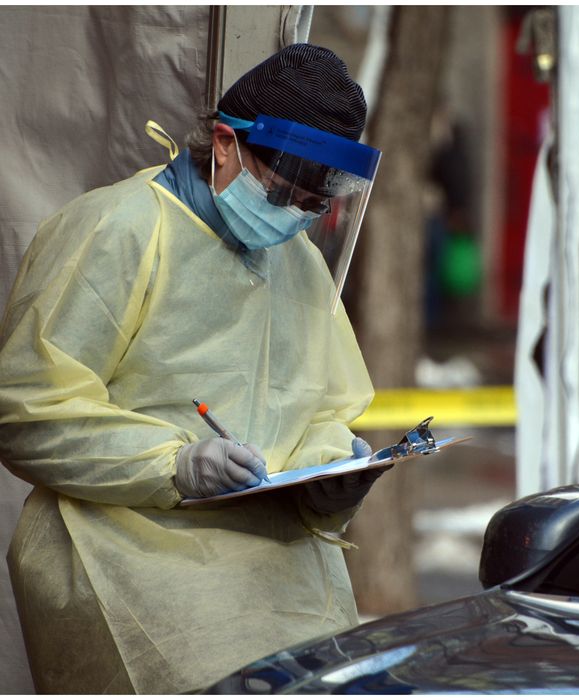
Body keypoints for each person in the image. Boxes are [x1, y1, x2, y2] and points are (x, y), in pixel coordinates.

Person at [0, 44, 389, 693]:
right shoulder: (118, 229)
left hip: (280, 576)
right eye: (280, 188)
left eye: (311, 201)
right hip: (129, 564)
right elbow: (24, 413)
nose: (292, 212)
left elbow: (316, 410)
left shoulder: (297, 263)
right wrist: (173, 466)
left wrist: (333, 480)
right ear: (223, 142)